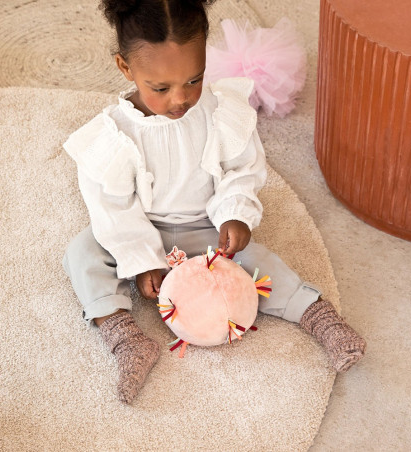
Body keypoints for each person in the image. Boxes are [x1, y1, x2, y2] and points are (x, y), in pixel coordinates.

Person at [62, 0, 366, 404]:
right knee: (82, 252)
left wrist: (234, 212)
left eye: (194, 79)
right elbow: (113, 209)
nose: (180, 99)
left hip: (206, 224)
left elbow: (241, 168)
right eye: (161, 88)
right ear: (125, 67)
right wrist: (142, 260)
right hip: (141, 226)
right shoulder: (111, 137)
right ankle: (125, 337)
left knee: (259, 261)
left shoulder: (220, 111)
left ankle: (319, 317)